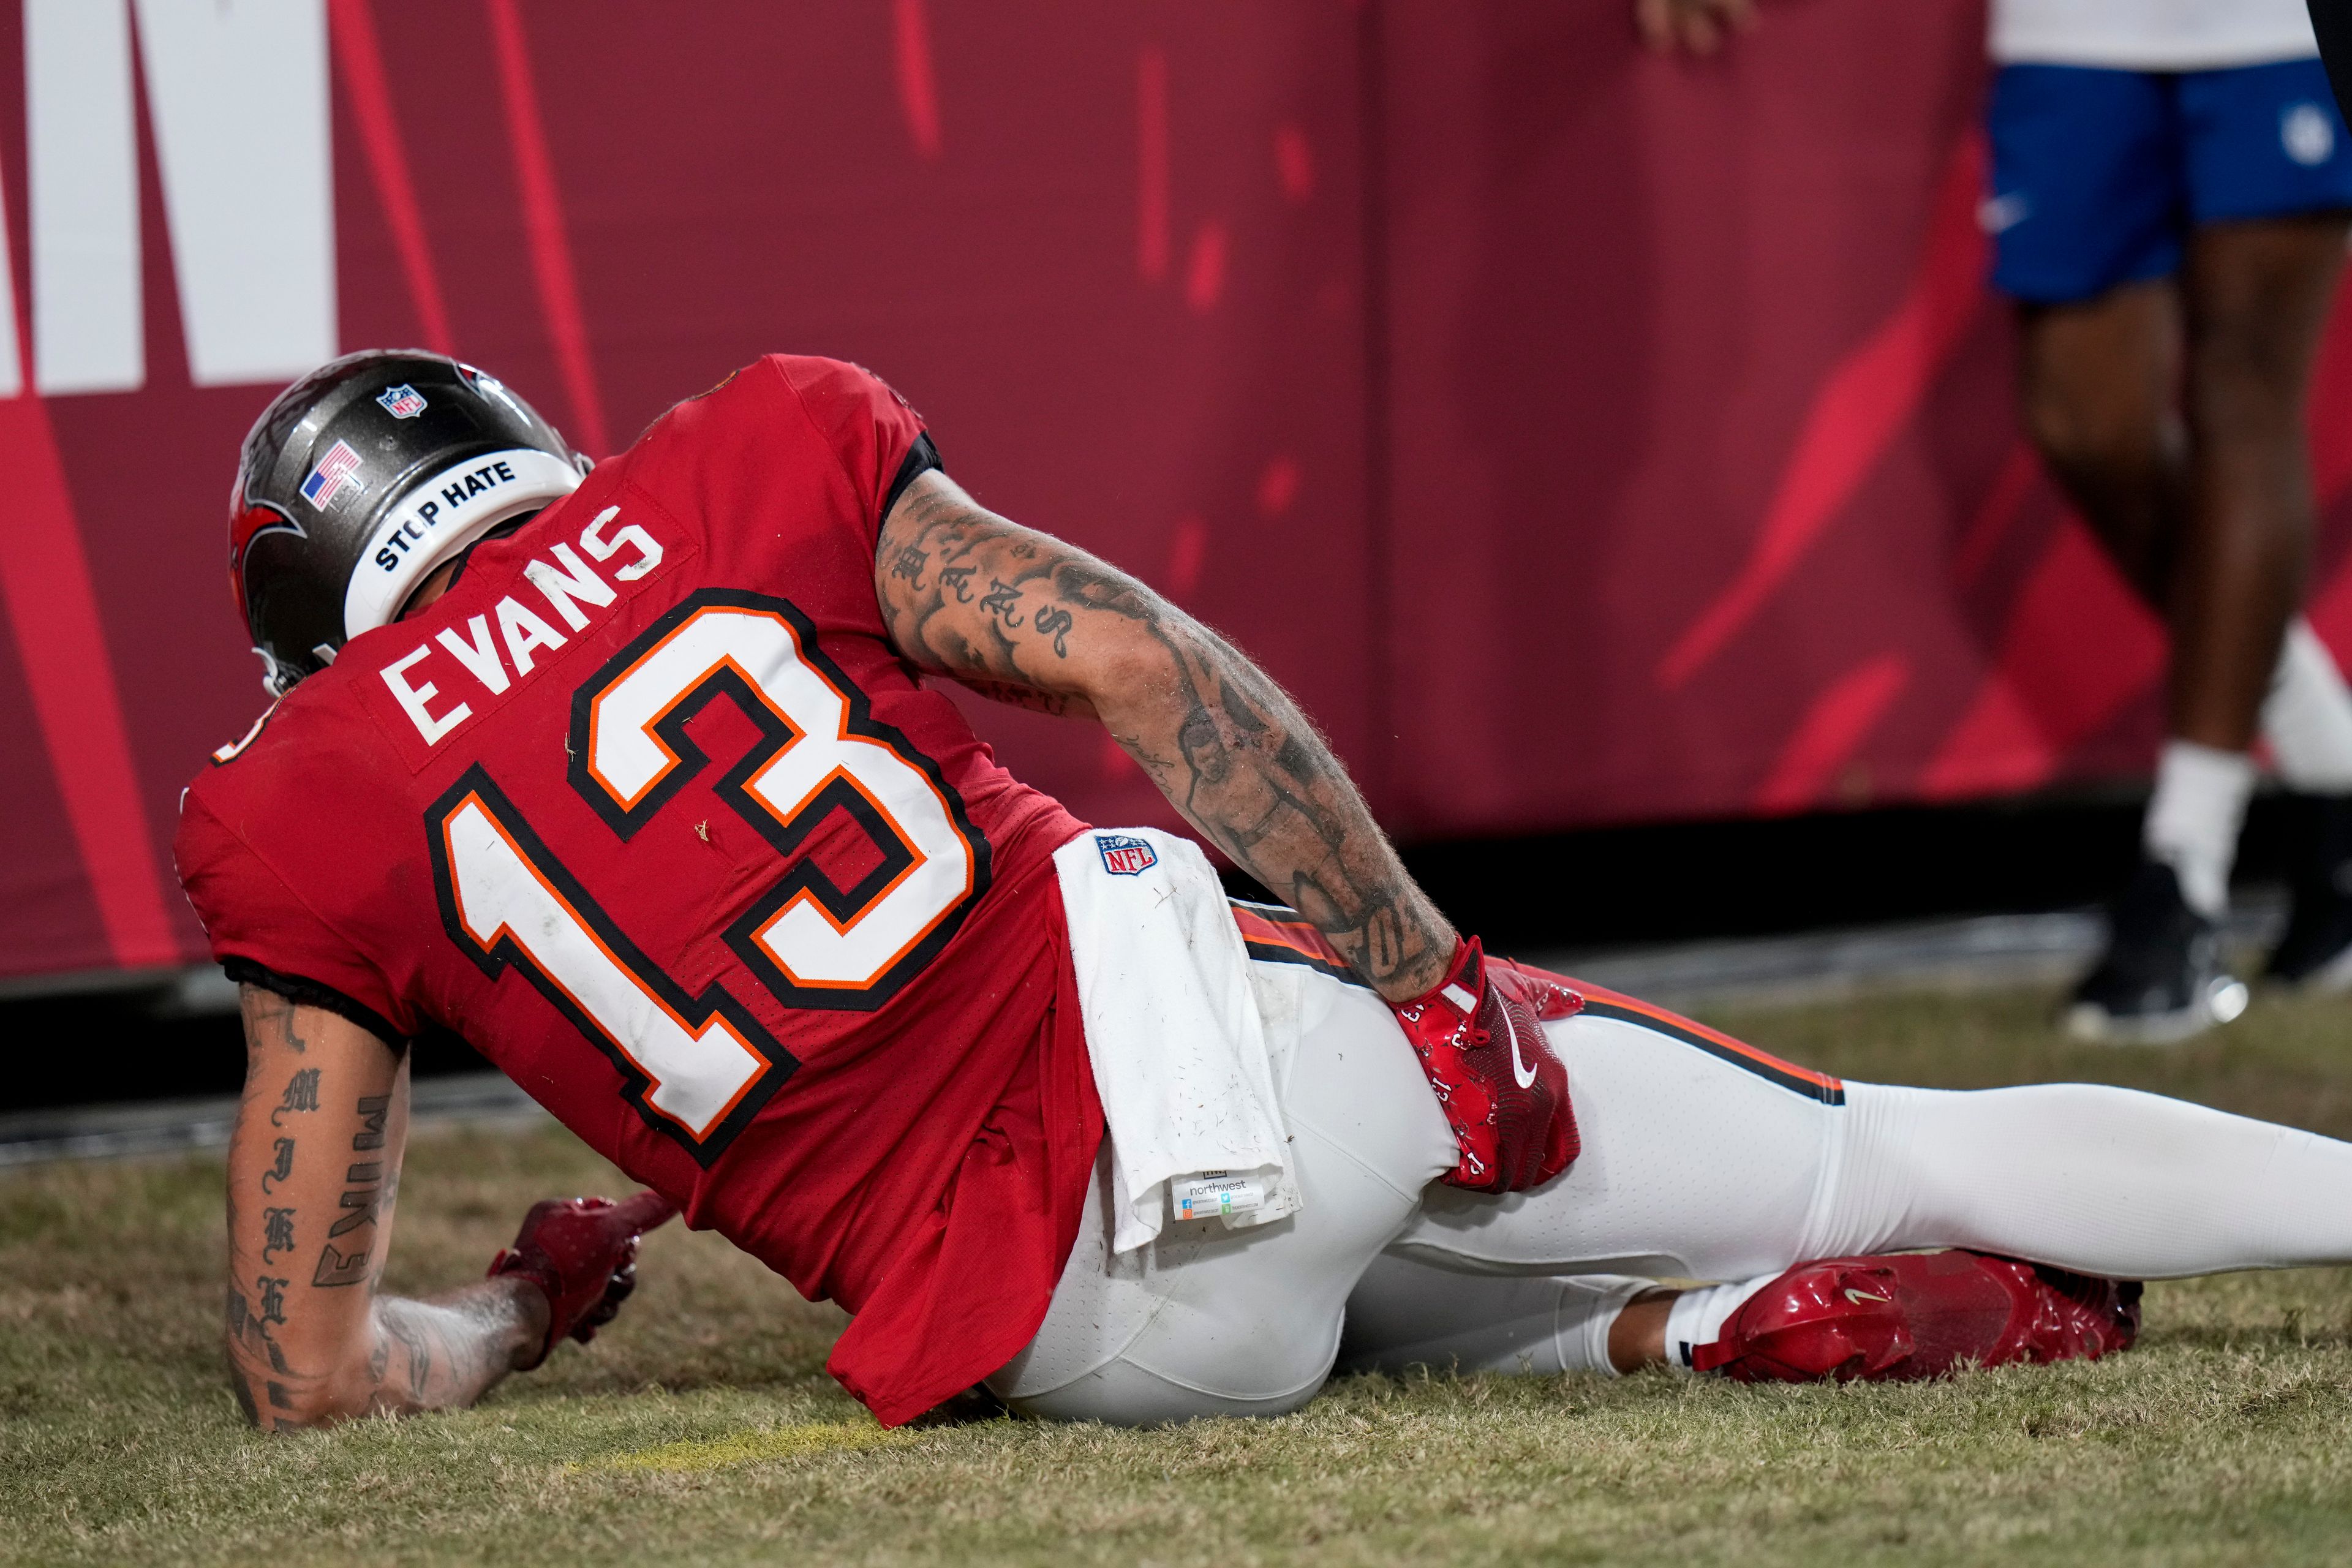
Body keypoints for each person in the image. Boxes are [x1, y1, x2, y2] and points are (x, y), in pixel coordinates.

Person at [184, 351, 2352, 1431]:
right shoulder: (753, 446)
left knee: (1349, 1326)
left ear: (316, 619)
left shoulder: (304, 804)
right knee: (1894, 1148)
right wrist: (1434, 985)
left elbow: (299, 1367)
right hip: (1231, 1062)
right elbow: (1142, 664)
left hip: (1072, 1327)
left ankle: (1677, 1338)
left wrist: (523, 1307)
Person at [1642, 0, 2352, 1042]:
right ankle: (2330, 758)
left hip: (2277, 27)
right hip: (2075, 27)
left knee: (2246, 403)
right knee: (2084, 425)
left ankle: (2184, 871)